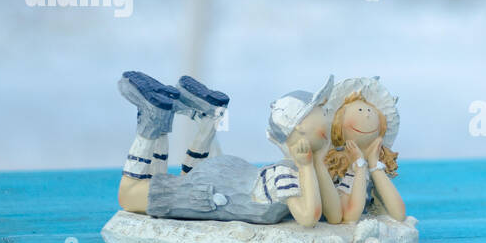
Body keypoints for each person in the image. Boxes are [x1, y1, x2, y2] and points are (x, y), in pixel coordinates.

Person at [115, 70, 336, 227]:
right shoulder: (289, 174)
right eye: (322, 112)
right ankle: (155, 122)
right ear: (299, 126)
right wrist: (307, 166)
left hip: (219, 182)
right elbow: (309, 217)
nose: (328, 117)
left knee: (156, 184)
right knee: (129, 194)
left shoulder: (290, 171)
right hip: (218, 187)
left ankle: (206, 118)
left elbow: (330, 216)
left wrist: (313, 162)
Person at [323, 76, 406, 223]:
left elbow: (399, 214)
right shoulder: (341, 169)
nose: (367, 115)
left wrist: (374, 165)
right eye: (360, 110)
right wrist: (360, 166)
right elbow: (350, 217)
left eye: (369, 110)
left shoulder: (374, 166)